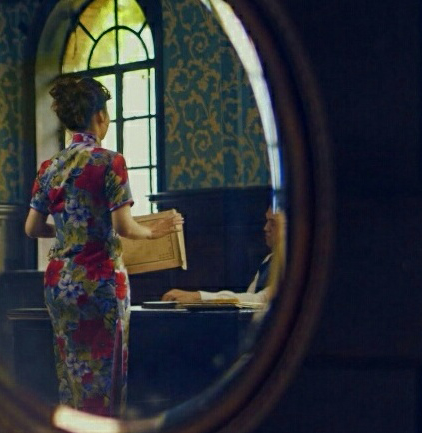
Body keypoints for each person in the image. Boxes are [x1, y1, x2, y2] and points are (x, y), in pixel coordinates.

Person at [25, 76, 183, 417]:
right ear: (99, 116)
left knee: (71, 375)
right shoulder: (110, 161)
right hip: (100, 283)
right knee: (105, 376)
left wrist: (71, 231)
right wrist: (153, 233)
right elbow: (124, 226)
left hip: (60, 284)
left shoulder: (49, 167)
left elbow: (32, 228)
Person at [161, 207, 279, 304]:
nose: (265, 228)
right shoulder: (268, 260)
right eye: (267, 221)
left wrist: (199, 297)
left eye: (273, 223)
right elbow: (249, 300)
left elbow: (260, 300)